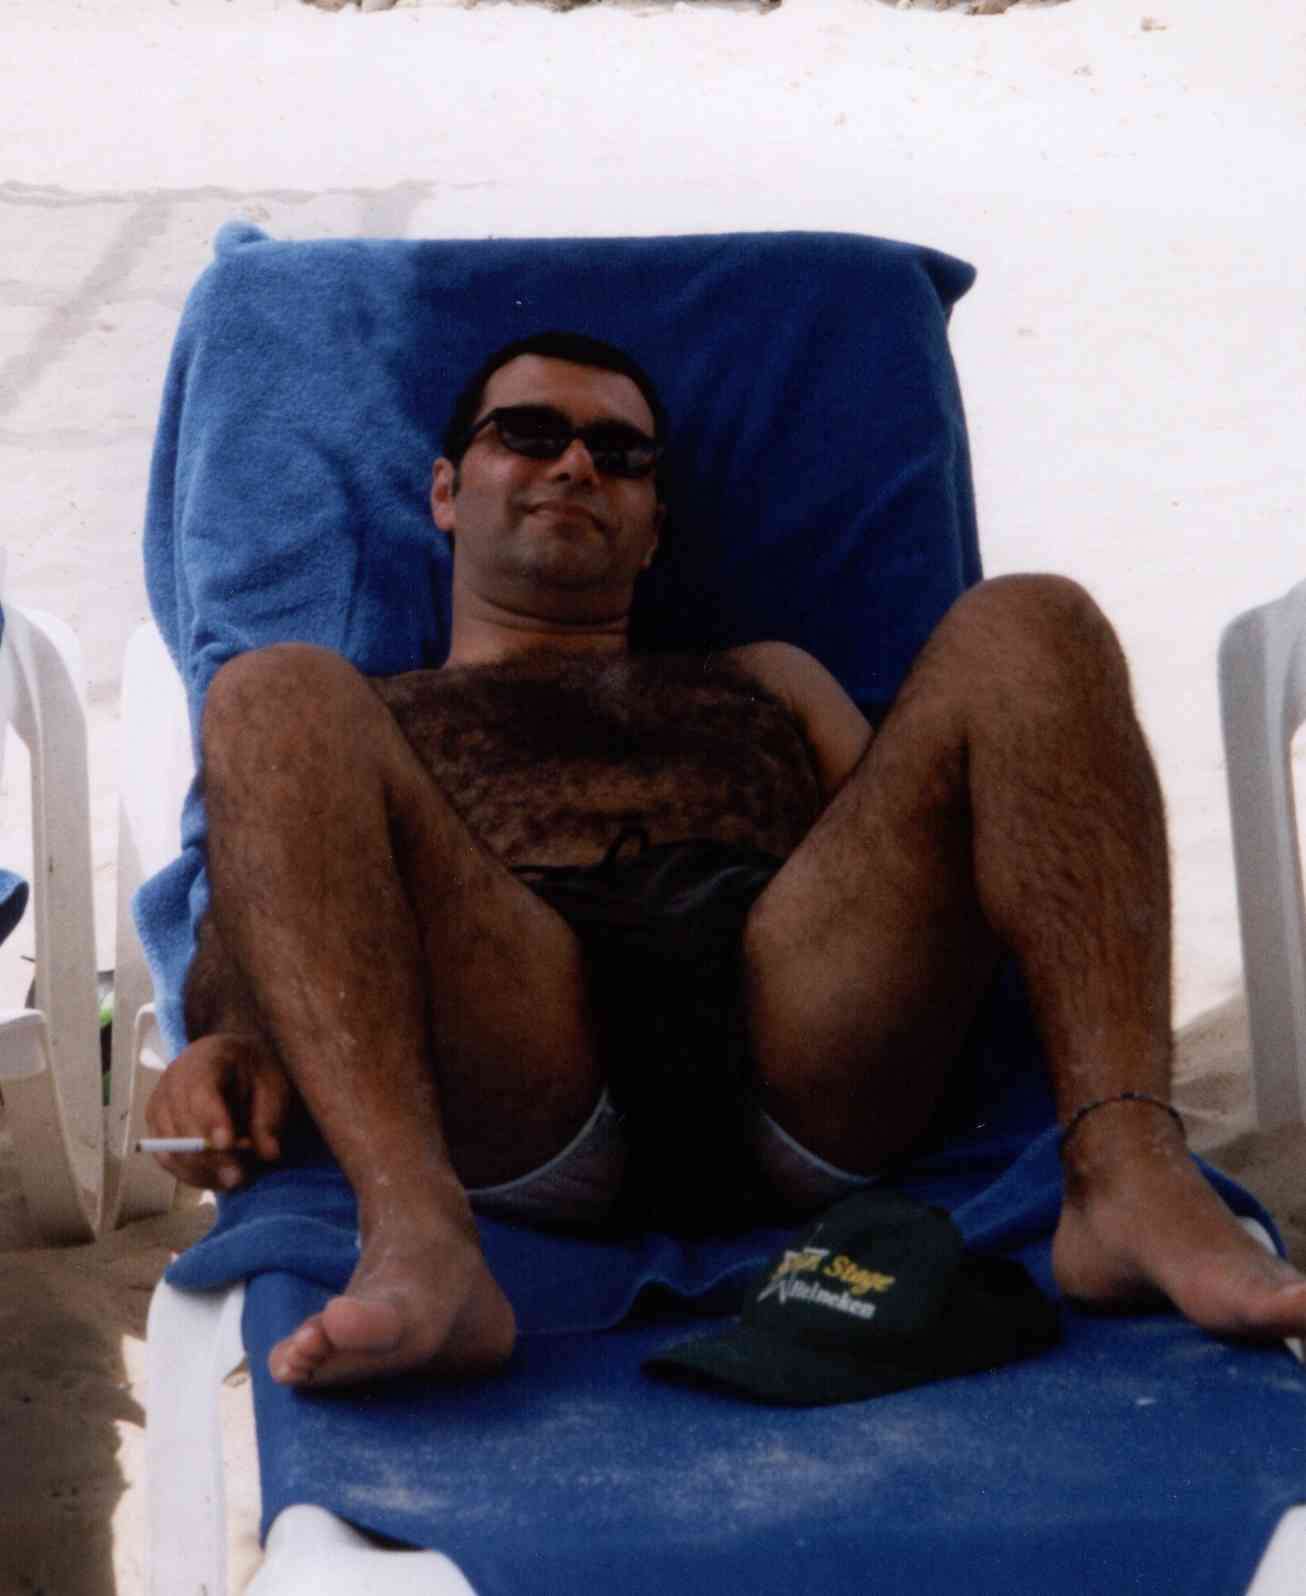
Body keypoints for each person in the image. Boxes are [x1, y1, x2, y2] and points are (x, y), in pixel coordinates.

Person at [145, 330, 1306, 1389]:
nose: (575, 465)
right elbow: (273, 898)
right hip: (518, 1045)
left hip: (795, 1029)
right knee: (269, 691)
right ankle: (418, 1234)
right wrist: (229, 1039)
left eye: (620, 454)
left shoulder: (767, 677)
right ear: (447, 491)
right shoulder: (373, 716)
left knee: (1034, 619)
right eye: (529, 435)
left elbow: (922, 851)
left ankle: (1126, 1169)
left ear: (654, 526)